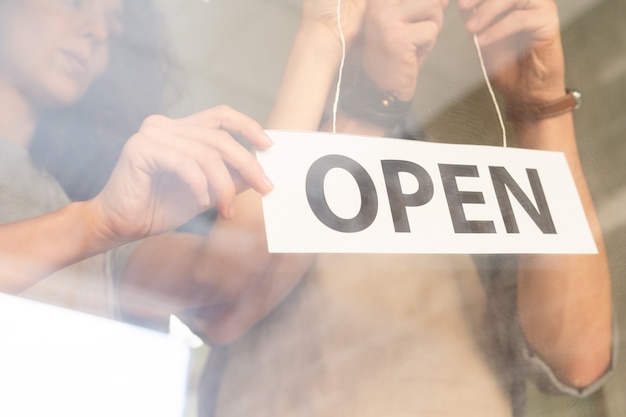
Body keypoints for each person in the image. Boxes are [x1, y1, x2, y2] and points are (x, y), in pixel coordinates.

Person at [195, 0, 615, 416]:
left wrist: (541, 105)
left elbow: (579, 360)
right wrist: (367, 96)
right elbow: (222, 291)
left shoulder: (456, 173)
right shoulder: (214, 161)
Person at [0, 0, 313, 341]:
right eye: (76, 4)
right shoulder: (92, 217)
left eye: (113, 27)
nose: (100, 32)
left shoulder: (86, 203)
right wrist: (92, 223)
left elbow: (221, 274)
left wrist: (321, 39)